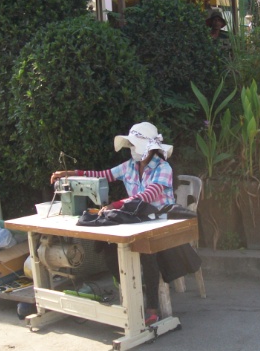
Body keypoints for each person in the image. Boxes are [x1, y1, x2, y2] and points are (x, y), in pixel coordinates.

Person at [50, 122, 176, 325]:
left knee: (148, 255)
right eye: (131, 145)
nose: (132, 149)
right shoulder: (129, 167)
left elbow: (148, 195)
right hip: (137, 219)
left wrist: (116, 205)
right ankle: (132, 288)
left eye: (135, 145)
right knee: (108, 249)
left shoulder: (163, 168)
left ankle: (152, 307)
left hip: (160, 222)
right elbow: (103, 175)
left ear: (150, 147)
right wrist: (71, 173)